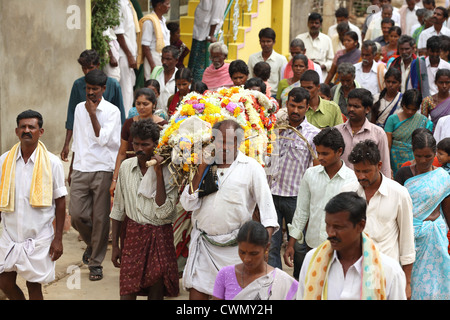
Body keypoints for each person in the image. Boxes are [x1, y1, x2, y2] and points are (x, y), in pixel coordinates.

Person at [180, 119, 279, 300]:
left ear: (239, 142)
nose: (224, 146)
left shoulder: (251, 168)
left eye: (230, 142)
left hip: (235, 251)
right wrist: (202, 167)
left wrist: (262, 250)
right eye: (219, 141)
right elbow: (188, 204)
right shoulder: (205, 166)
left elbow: (268, 212)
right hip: (204, 247)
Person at [0, 110, 67, 300]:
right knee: (4, 282)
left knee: (34, 287)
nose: (27, 130)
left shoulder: (52, 163)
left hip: (38, 237)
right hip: (10, 236)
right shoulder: (4, 161)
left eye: (32, 127)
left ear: (41, 131)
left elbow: (60, 202)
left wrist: (58, 239)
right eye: (23, 127)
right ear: (16, 131)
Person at [110, 119, 179, 300]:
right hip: (132, 234)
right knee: (127, 290)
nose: (139, 148)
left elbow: (164, 212)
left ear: (156, 145)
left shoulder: (170, 170)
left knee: (156, 290)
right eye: (136, 143)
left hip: (159, 235)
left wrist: (157, 172)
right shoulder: (126, 167)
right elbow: (118, 208)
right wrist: (115, 246)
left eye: (145, 145)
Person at [297, 191, 407, 300]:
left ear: (360, 226)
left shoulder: (389, 270)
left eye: (338, 227)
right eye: (328, 225)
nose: (330, 233)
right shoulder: (311, 260)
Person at [341, 140, 415, 298]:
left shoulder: (399, 194)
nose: (361, 176)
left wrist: (407, 283)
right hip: (355, 273)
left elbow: (407, 241)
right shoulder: (347, 192)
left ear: (379, 165)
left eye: (366, 171)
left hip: (387, 274)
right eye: (357, 171)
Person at [68, 69, 122, 281]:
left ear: (103, 89)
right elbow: (78, 140)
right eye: (88, 88)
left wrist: (93, 113)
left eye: (95, 89)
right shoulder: (79, 109)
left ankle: (96, 262)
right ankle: (93, 244)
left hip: (102, 168)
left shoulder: (112, 112)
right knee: (77, 215)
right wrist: (72, 167)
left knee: (100, 218)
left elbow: (102, 139)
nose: (91, 92)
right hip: (81, 167)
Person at [284, 128, 357, 272]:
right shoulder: (310, 175)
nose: (320, 157)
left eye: (325, 153)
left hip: (340, 248)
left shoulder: (352, 180)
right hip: (313, 245)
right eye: (318, 153)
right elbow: (302, 210)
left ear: (339, 151)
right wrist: (291, 244)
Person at [266, 87, 320, 279]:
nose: (295, 110)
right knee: (271, 243)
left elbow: (315, 170)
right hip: (271, 194)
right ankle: (276, 284)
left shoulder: (313, 135)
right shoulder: (273, 128)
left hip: (297, 198)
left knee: (298, 245)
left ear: (307, 108)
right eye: (292, 105)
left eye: (300, 107)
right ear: (286, 105)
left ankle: (298, 284)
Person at [394, 130, 450, 300]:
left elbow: (447, 208)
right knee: (410, 283)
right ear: (413, 152)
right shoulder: (404, 174)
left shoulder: (442, 177)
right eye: (419, 156)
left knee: (435, 283)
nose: (423, 161)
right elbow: (396, 207)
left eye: (428, 156)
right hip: (409, 237)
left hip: (435, 237)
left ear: (435, 153)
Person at [60, 49, 125, 162]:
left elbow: (121, 118)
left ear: (98, 65)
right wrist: (67, 144)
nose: (87, 71)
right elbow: (71, 117)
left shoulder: (113, 85)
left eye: (90, 67)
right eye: (84, 68)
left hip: (106, 142)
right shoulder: (78, 85)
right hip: (85, 142)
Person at [213, 220, 298, 300]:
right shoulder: (225, 275)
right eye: (242, 252)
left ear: (266, 248)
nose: (247, 259)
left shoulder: (281, 281)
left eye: (253, 253)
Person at [110, 87, 168, 197]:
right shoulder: (128, 124)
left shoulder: (163, 126)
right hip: (131, 171)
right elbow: (122, 152)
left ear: (154, 104)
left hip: (153, 172)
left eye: (145, 104)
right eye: (138, 103)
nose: (141, 107)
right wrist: (115, 179)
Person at [335, 88, 391, 177]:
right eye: (349, 105)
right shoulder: (337, 131)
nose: (351, 109)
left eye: (356, 106)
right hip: (340, 185)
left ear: (367, 109)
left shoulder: (378, 133)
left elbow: (385, 166)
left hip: (367, 185)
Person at [385, 89, 433, 175]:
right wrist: (387, 165)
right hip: (394, 160)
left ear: (418, 108)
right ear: (403, 104)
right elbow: (387, 145)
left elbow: (427, 144)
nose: (409, 112)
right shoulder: (392, 119)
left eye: (414, 109)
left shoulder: (424, 121)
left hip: (416, 161)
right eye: (407, 108)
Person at [188, 0, 227, 82]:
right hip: (199, 33)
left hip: (205, 35)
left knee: (200, 70)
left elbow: (217, 14)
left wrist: (211, 34)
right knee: (192, 69)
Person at [114, 0, 140, 115]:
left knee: (129, 90)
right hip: (124, 54)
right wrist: (129, 55)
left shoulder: (128, 3)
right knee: (126, 92)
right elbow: (119, 33)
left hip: (129, 53)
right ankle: (125, 123)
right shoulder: (119, 3)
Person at [248, 28, 287, 97]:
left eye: (268, 41)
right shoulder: (252, 58)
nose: (265, 44)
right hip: (255, 94)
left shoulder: (281, 59)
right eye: (263, 41)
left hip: (273, 95)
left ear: (274, 42)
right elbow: (250, 77)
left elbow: (282, 81)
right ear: (260, 42)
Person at [137, 0, 171, 81]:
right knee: (153, 83)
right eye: (167, 4)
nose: (169, 6)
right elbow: (145, 45)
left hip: (164, 59)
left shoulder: (162, 20)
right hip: (154, 59)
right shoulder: (149, 21)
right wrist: (153, 66)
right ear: (159, 5)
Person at [296, 12, 334, 80]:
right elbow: (293, 57)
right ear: (308, 24)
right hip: (302, 77)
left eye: (316, 23)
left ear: (320, 25)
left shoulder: (326, 39)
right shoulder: (300, 38)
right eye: (311, 22)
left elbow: (331, 60)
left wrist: (321, 66)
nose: (314, 25)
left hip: (321, 77)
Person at [150, 45, 179, 117]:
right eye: (162, 58)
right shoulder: (156, 73)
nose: (164, 62)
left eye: (168, 59)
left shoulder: (180, 78)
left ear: (176, 60)